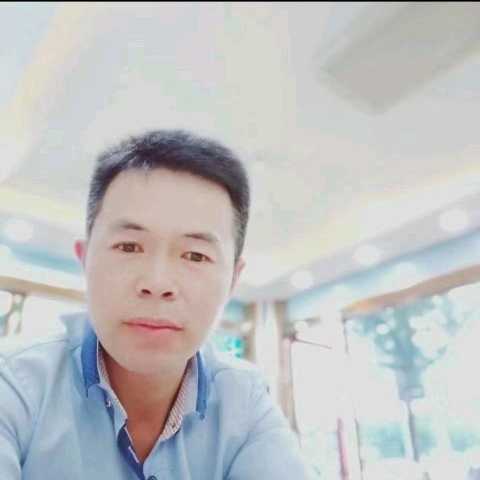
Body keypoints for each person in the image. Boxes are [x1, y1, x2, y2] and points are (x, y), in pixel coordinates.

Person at [0, 130, 312, 479]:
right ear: (85, 259)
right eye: (129, 247)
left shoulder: (244, 398)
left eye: (195, 255)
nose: (158, 283)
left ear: (233, 280)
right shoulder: (14, 383)